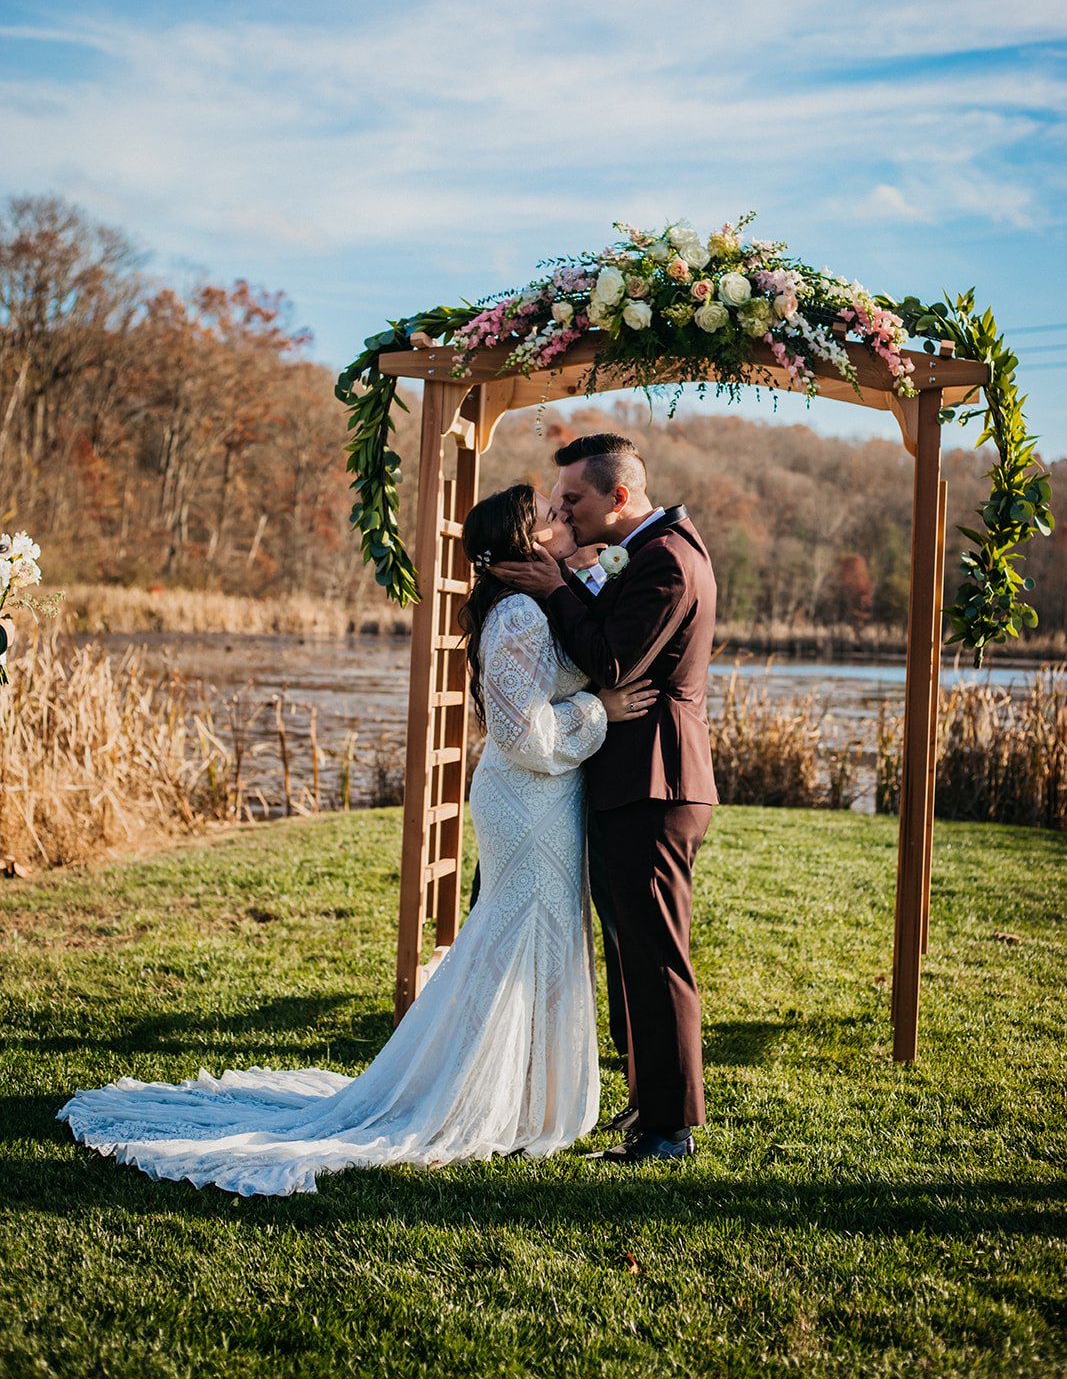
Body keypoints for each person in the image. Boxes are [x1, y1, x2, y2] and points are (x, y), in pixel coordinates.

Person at [57, 484, 655, 1196]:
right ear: (519, 548)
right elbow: (523, 735)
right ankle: (478, 1096)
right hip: (528, 795)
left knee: (536, 935)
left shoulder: (538, 601)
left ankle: (522, 1095)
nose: (563, 522)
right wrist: (599, 707)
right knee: (519, 935)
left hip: (541, 796)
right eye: (550, 518)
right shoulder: (522, 612)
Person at [491, 433, 718, 1164]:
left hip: (655, 779)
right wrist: (561, 574)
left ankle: (669, 1129)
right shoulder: (637, 550)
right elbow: (596, 596)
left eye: (573, 501)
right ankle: (647, 1105)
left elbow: (615, 660)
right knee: (628, 948)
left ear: (619, 497)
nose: (563, 512)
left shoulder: (667, 559)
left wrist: (552, 587)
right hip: (628, 777)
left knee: (653, 955)